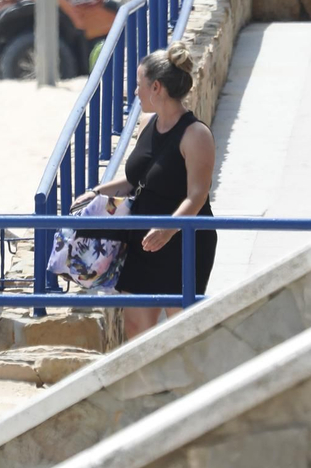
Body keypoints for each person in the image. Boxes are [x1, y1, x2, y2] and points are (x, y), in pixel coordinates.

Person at [88, 45, 217, 341]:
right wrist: (95, 194)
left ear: (156, 87)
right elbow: (136, 180)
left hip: (183, 241)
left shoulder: (196, 134)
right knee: (136, 330)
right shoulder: (147, 123)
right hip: (142, 240)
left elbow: (197, 195)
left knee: (182, 330)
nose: (135, 92)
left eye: (139, 84)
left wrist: (168, 229)